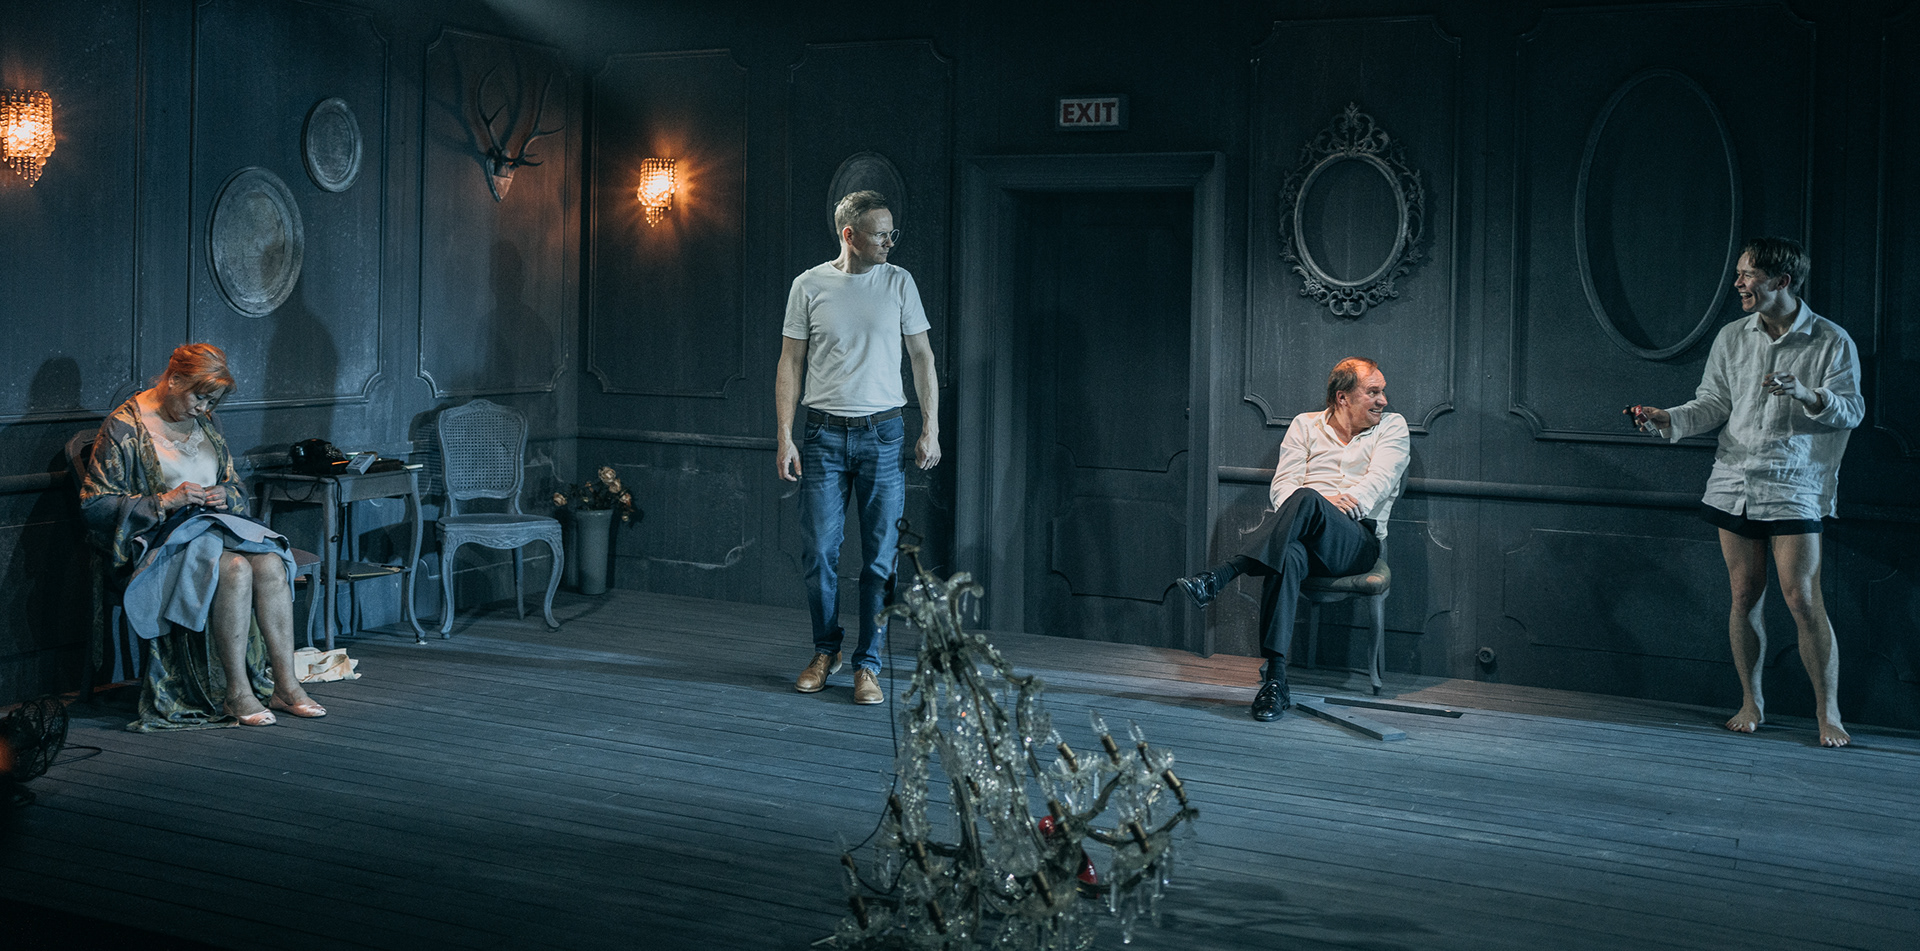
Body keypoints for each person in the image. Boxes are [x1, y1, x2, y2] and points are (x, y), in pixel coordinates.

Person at [1627, 237, 1862, 748]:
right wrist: (1669, 418)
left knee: (1802, 599)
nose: (1737, 283)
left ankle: (1829, 713)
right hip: (1734, 481)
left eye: (1747, 274)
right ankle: (1751, 703)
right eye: (1739, 273)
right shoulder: (1732, 337)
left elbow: (1853, 410)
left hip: (1794, 483)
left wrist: (1807, 393)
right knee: (1742, 595)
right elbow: (1712, 403)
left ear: (1781, 280)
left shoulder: (1831, 340)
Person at [79, 343, 326, 731]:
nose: (203, 408)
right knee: (235, 569)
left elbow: (235, 487)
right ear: (174, 379)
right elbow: (93, 506)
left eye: (212, 401)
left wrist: (225, 495)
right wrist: (164, 501)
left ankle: (286, 685)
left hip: (212, 531)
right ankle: (236, 692)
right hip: (157, 542)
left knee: (271, 564)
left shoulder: (208, 422)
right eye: (199, 396)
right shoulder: (125, 426)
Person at [775, 190, 941, 705]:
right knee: (818, 554)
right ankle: (826, 650)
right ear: (850, 235)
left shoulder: (899, 282)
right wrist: (784, 435)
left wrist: (930, 427)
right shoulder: (808, 285)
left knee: (879, 560)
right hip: (822, 436)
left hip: (884, 435)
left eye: (892, 233)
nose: (890, 242)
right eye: (880, 234)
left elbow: (922, 356)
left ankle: (868, 663)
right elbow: (790, 362)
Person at [1175, 358, 1409, 721]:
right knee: (1289, 554)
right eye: (1373, 392)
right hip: (1298, 535)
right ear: (1343, 397)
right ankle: (1276, 681)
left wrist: (1325, 505)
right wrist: (1317, 503)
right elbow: (1282, 488)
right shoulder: (1305, 425)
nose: (1383, 400)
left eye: (1382, 392)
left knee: (1307, 498)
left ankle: (1223, 574)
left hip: (1356, 541)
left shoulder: (1392, 427)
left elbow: (1377, 484)